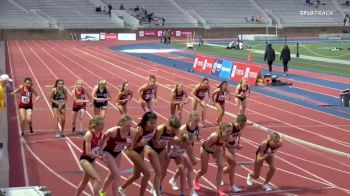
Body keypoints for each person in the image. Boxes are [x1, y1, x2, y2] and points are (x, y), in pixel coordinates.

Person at [119, 111, 157, 196]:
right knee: (147, 174)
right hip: (132, 151)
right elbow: (131, 146)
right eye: (151, 122)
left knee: (136, 175)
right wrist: (140, 144)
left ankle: (121, 188)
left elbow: (152, 138)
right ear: (145, 121)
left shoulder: (154, 128)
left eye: (155, 122)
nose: (153, 124)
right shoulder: (139, 130)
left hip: (140, 150)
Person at [99, 115, 135, 196]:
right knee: (117, 176)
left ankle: (102, 191)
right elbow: (103, 138)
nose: (129, 128)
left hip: (118, 153)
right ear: (121, 124)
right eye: (127, 126)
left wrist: (128, 144)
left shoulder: (132, 132)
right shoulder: (113, 131)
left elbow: (130, 149)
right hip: (108, 152)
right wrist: (100, 151)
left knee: (112, 176)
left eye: (130, 125)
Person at [194, 122, 233, 196]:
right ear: (222, 130)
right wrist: (216, 150)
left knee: (221, 166)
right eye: (227, 131)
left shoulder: (229, 137)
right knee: (204, 170)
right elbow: (206, 146)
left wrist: (223, 154)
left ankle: (219, 189)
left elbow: (224, 145)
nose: (229, 133)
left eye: (231, 131)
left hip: (216, 149)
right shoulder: (214, 136)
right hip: (206, 149)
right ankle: (196, 180)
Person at [169, 111, 201, 194]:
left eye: (198, 120)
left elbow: (197, 137)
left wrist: (198, 138)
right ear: (190, 119)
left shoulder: (198, 127)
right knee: (188, 167)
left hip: (189, 146)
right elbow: (177, 139)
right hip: (182, 148)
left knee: (186, 167)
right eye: (195, 120)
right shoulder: (184, 128)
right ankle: (191, 190)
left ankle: (173, 179)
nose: (197, 122)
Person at [149, 115, 181, 195]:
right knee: (158, 170)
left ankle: (159, 184)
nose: (173, 131)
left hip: (162, 148)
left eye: (175, 130)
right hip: (152, 148)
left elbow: (170, 141)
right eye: (173, 129)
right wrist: (163, 144)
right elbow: (155, 144)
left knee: (164, 170)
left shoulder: (175, 131)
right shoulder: (160, 129)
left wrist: (169, 151)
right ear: (168, 125)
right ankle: (154, 188)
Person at [75, 116, 104, 196]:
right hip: (85, 159)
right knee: (97, 179)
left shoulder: (101, 134)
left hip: (92, 160)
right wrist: (99, 157)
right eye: (101, 125)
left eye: (103, 124)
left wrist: (101, 154)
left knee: (85, 181)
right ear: (95, 125)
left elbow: (100, 147)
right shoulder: (89, 134)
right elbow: (87, 152)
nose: (103, 126)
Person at [222, 114, 247, 193]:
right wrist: (235, 146)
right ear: (240, 123)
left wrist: (237, 143)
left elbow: (238, 136)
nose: (245, 126)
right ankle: (221, 175)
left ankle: (231, 185)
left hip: (231, 146)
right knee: (233, 163)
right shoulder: (230, 128)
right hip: (223, 146)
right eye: (244, 124)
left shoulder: (241, 128)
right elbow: (223, 142)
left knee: (232, 166)